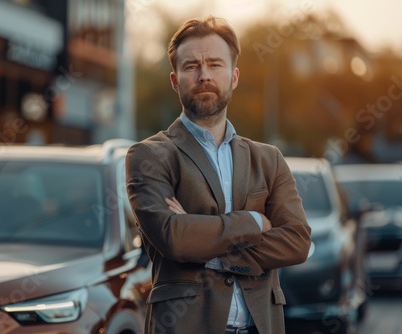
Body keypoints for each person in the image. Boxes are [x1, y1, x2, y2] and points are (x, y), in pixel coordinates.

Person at [125, 16, 311, 334]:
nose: (204, 75)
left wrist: (206, 247)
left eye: (214, 64)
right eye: (191, 67)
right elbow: (174, 238)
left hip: (261, 325)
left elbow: (296, 241)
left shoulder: (268, 159)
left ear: (234, 76)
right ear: (174, 80)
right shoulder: (149, 155)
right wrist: (253, 223)